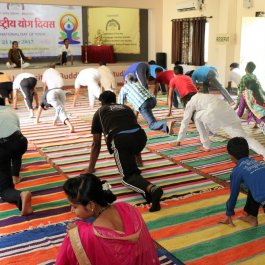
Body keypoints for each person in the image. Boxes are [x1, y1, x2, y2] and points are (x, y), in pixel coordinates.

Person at [83, 91, 163, 212]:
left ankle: (152, 189)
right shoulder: (126, 108)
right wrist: (139, 160)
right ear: (114, 100)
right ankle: (151, 196)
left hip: (120, 139)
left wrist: (90, 169)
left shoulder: (99, 112)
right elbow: (132, 127)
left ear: (102, 102)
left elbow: (96, 144)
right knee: (130, 147)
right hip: (140, 137)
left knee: (128, 177)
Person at [56, 173, 160, 265]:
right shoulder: (127, 208)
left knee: (73, 239)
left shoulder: (91, 233)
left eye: (74, 206)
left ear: (91, 205)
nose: (71, 210)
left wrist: (76, 233)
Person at [173, 93, 265, 159]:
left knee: (196, 116)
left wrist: (179, 140)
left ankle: (206, 146)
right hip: (229, 113)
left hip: (216, 114)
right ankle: (264, 152)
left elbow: (185, 121)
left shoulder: (191, 102)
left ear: (186, 101)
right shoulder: (204, 95)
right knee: (244, 138)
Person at [219, 137, 265, 227]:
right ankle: (251, 216)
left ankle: (252, 216)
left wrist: (229, 213)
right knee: (254, 185)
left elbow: (233, 196)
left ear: (231, 156)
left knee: (253, 186)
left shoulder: (237, 171)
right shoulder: (257, 163)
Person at [0, 98, 33, 215]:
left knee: (4, 189)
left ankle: (20, 195)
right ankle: (15, 176)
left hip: (3, 148)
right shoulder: (11, 111)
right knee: (14, 152)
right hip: (20, 142)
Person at [36, 67, 75, 133]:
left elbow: (39, 110)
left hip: (53, 94)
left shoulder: (43, 100)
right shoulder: (54, 72)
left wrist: (37, 120)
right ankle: (55, 122)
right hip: (60, 91)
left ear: (45, 107)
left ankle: (70, 126)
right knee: (59, 109)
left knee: (60, 109)